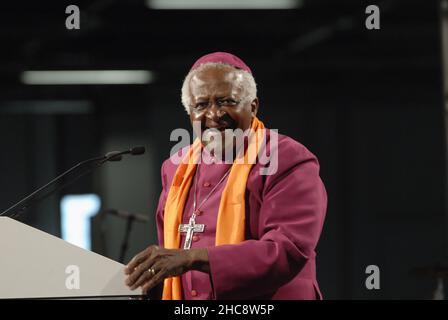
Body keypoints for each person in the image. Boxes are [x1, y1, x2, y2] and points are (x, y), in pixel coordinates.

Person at [124, 52, 327, 300]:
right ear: (190, 113)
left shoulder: (286, 159)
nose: (214, 114)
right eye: (201, 105)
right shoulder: (175, 168)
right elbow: (170, 257)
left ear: (253, 106)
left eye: (226, 101)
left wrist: (190, 259)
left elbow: (287, 250)